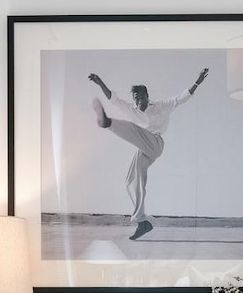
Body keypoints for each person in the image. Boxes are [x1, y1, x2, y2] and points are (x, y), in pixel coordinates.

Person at [88, 67, 209, 239]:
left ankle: (108, 123)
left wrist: (197, 82)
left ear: (147, 97)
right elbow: (114, 99)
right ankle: (142, 222)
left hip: (156, 143)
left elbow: (181, 98)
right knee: (131, 182)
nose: (140, 102)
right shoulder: (131, 108)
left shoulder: (161, 106)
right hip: (144, 148)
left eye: (143, 98)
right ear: (134, 99)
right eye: (137, 99)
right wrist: (100, 82)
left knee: (133, 129)